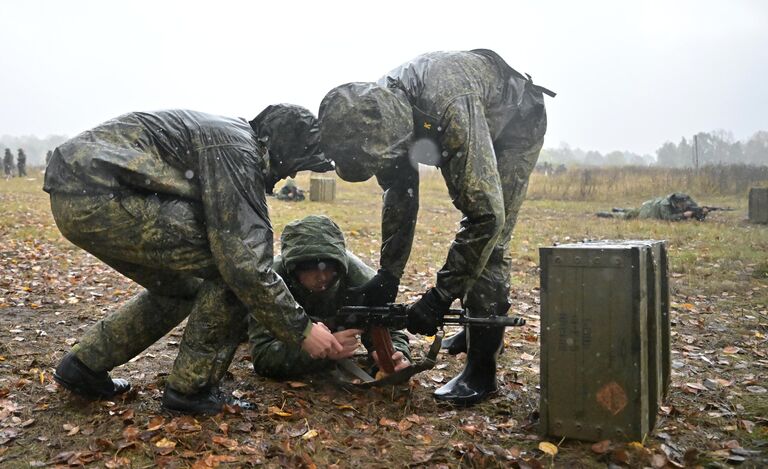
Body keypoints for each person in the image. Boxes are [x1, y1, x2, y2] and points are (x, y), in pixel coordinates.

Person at [46, 106, 344, 414]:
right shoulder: (237, 149)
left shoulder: (231, 137)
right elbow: (245, 263)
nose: (292, 174)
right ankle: (192, 390)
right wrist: (303, 330)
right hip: (99, 193)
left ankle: (84, 366)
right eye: (294, 164)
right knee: (231, 269)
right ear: (280, 145)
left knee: (181, 289)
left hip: (75, 195)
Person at [318, 49, 553, 405]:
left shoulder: (446, 104)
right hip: (464, 110)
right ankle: (476, 323)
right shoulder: (374, 115)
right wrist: (389, 274)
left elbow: (486, 217)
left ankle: (481, 369)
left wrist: (441, 296)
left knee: (492, 243)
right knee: (482, 232)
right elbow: (400, 195)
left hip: (516, 121)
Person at [249, 215, 411, 379]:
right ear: (293, 267)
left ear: (339, 263)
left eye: (328, 266)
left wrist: (395, 355)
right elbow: (263, 356)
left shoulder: (361, 281)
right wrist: (320, 352)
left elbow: (388, 327)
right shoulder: (271, 284)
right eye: (309, 267)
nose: (321, 276)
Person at [596, 192, 705, 221]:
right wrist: (683, 215)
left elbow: (695, 213)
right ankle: (609, 214)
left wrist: (701, 213)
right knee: (627, 216)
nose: (684, 205)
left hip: (649, 206)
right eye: (682, 203)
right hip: (647, 212)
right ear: (677, 202)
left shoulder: (674, 202)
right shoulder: (665, 205)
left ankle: (620, 209)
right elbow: (668, 218)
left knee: (634, 210)